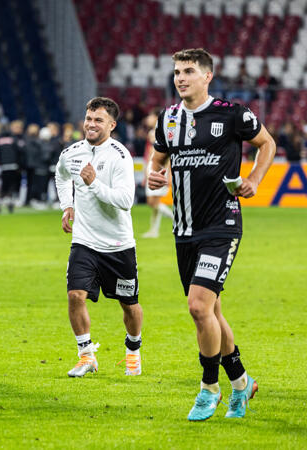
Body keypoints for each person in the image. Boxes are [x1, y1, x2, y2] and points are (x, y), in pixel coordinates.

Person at [148, 48, 276, 421]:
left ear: (207, 76)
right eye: (177, 72)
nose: (180, 78)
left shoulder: (232, 113)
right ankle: (241, 383)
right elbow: (157, 161)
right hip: (184, 229)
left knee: (198, 307)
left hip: (222, 225)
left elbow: (267, 143)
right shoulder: (168, 119)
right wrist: (155, 176)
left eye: (188, 71)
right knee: (211, 312)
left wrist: (254, 179)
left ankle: (209, 389)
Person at [55, 97, 143, 379]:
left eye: (98, 120)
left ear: (112, 125)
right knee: (75, 296)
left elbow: (126, 201)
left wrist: (93, 184)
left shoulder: (120, 156)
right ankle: (86, 356)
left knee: (129, 305)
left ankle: (133, 351)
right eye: (89, 119)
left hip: (118, 245)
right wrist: (67, 205)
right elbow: (61, 175)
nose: (91, 125)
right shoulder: (72, 153)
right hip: (84, 241)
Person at [141, 115, 174, 238]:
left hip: (159, 172)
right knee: (155, 205)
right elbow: (149, 156)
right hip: (152, 171)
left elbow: (166, 156)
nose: (148, 119)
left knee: (152, 203)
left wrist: (169, 174)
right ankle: (154, 230)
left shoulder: (161, 132)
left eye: (150, 117)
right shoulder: (152, 134)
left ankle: (175, 218)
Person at [0, 120, 25, 213]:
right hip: (14, 165)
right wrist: (20, 165)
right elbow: (19, 152)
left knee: (5, 185)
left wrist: (0, 162)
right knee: (12, 185)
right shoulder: (15, 139)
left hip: (3, 165)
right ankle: (10, 202)